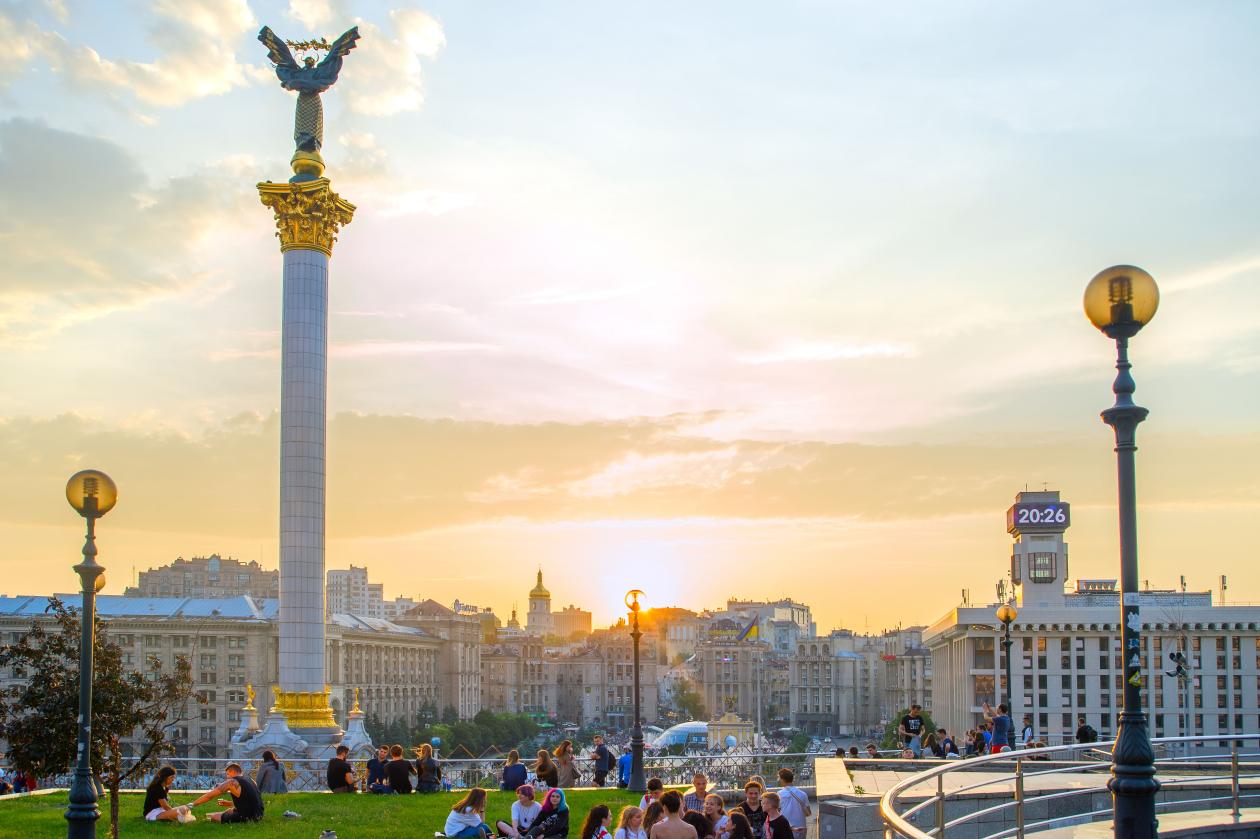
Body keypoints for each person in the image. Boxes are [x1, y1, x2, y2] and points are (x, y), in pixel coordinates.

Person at [187, 763, 264, 824]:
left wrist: (190, 805)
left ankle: (208, 820)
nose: (227, 777)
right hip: (259, 814)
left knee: (214, 817)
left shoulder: (232, 782)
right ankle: (208, 817)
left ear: (233, 771)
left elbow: (209, 796)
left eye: (227, 774)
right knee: (227, 811)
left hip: (247, 817)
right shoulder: (250, 779)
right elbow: (250, 800)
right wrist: (229, 803)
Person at [775, 768, 810, 839]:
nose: (778, 780)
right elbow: (808, 813)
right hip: (801, 827)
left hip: (786, 827)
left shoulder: (779, 794)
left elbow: (776, 812)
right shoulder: (803, 794)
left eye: (779, 777)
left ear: (782, 779)